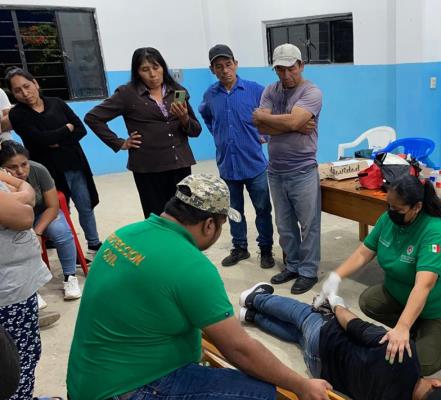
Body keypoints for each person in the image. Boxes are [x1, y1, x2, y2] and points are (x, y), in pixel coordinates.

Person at [63, 173, 341, 400]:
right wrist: (300, 384)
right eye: (221, 224)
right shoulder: (190, 267)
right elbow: (240, 350)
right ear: (209, 224)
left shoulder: (124, 236)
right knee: (258, 397)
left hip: (88, 397)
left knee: (193, 392)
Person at [239, 283, 441, 400]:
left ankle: (255, 299)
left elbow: (356, 326)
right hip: (321, 371)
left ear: (437, 384)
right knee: (296, 335)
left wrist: (336, 305)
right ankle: (252, 317)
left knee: (302, 315)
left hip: (326, 340)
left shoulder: (403, 356)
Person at [316, 175, 441, 375]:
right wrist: (336, 276)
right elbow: (364, 252)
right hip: (404, 295)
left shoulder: (435, 232)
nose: (391, 212)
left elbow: (424, 286)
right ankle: (420, 327)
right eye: (389, 206)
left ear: (417, 207)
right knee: (370, 301)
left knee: (419, 364)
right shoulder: (388, 219)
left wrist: (403, 326)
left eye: (398, 209)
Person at [85, 47, 202, 219]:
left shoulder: (176, 91)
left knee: (183, 215)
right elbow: (93, 118)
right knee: (156, 215)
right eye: (145, 70)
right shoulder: (127, 94)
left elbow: (195, 131)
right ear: (137, 72)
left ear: (163, 67)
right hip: (148, 167)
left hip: (180, 164)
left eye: (156, 67)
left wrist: (184, 118)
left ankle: (178, 246)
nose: (153, 74)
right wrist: (119, 142)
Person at [0, 169, 73, 400]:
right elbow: (25, 215)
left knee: (18, 351)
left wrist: (19, 193)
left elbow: (25, 199)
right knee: (20, 355)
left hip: (14, 283)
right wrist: (22, 190)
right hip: (7, 291)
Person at [6, 67, 102, 258]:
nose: (25, 93)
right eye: (18, 90)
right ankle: (71, 251)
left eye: (27, 86)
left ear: (35, 83)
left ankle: (94, 243)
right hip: (48, 173)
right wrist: (66, 129)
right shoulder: (17, 115)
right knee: (58, 212)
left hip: (75, 165)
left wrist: (55, 139)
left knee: (85, 205)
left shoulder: (57, 103)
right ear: (13, 94)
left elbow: (80, 129)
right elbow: (40, 140)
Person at [252, 43, 322, 295]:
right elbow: (260, 127)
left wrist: (273, 120)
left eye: (290, 68)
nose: (285, 75)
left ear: (300, 65)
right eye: (280, 69)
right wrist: (291, 123)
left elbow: (286, 120)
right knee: (284, 224)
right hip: (276, 170)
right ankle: (292, 265)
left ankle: (308, 271)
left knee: (308, 224)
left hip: (302, 169)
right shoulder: (271, 90)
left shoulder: (312, 91)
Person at [199, 44, 275, 269]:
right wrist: (219, 134)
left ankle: (266, 249)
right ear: (212, 69)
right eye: (219, 66)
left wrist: (266, 136)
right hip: (227, 166)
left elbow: (272, 117)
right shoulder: (210, 95)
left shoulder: (255, 90)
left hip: (254, 165)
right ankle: (240, 247)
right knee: (233, 211)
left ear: (236, 64)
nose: (225, 70)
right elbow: (207, 117)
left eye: (228, 64)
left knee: (263, 209)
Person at [1, 140, 81, 300]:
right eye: (13, 167)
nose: (20, 171)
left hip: (42, 214)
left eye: (24, 164)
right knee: (17, 242)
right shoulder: (3, 182)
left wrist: (37, 231)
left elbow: (53, 206)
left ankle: (70, 277)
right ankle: (30, 290)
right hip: (15, 220)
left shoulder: (38, 170)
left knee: (61, 231)